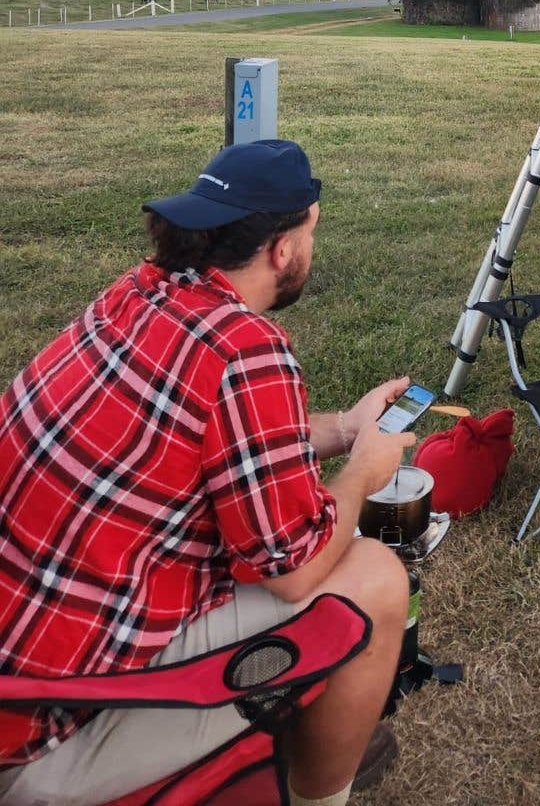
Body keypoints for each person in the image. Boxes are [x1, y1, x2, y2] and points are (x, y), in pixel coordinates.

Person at [0, 139, 415, 806]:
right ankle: (316, 791)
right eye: (311, 233)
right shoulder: (246, 348)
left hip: (21, 662)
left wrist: (344, 429)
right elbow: (295, 569)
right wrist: (363, 471)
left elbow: (222, 438)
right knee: (376, 578)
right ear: (283, 249)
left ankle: (312, 725)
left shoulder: (137, 295)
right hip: (44, 734)